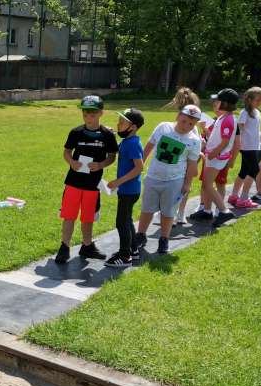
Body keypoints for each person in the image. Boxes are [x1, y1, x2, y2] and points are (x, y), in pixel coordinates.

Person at [54, 95, 118, 264]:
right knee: (69, 215)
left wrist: (100, 164)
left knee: (88, 217)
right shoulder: (76, 132)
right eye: (85, 114)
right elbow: (67, 152)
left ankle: (87, 246)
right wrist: (72, 162)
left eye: (93, 114)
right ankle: (64, 247)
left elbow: (112, 156)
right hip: (73, 182)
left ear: (101, 113)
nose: (89, 118)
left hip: (93, 185)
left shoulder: (107, 135)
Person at [133, 105, 203, 255]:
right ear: (178, 116)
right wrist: (139, 165)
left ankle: (164, 239)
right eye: (184, 121)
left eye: (191, 124)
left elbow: (191, 165)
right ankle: (140, 235)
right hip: (153, 177)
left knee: (168, 212)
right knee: (147, 208)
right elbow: (148, 147)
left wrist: (187, 183)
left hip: (174, 181)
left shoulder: (194, 141)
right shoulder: (163, 128)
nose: (186, 126)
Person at [191, 89, 239, 228]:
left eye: (218, 101)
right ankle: (206, 210)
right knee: (206, 185)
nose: (215, 103)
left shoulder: (228, 120)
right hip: (213, 156)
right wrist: (206, 130)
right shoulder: (222, 117)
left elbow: (224, 141)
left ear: (225, 103)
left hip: (216, 157)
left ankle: (224, 211)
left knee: (207, 184)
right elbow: (215, 136)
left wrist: (213, 153)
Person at [104, 108, 145, 268]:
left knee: (121, 222)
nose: (118, 124)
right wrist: (111, 135)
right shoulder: (128, 141)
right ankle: (133, 249)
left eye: (122, 122)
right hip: (129, 190)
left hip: (129, 190)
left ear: (133, 127)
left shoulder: (133, 143)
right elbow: (119, 149)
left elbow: (139, 168)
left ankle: (125, 256)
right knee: (127, 220)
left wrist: (118, 181)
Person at [166, 87, 209, 225]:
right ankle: (179, 214)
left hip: (179, 160)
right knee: (184, 187)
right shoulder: (192, 125)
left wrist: (200, 148)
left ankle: (173, 214)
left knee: (177, 187)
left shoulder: (181, 122)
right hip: (186, 161)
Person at [228, 87, 261, 209]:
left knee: (244, 171)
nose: (260, 101)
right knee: (255, 170)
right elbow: (239, 130)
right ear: (249, 100)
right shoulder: (244, 113)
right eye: (258, 99)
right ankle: (243, 198)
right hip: (246, 147)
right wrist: (235, 145)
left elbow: (256, 130)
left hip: (254, 146)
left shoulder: (257, 112)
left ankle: (234, 196)